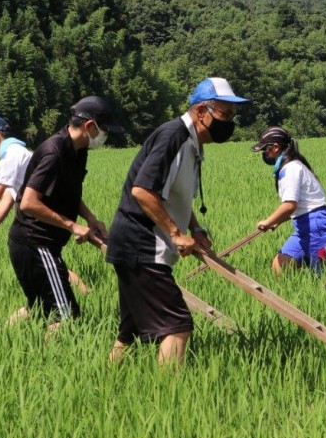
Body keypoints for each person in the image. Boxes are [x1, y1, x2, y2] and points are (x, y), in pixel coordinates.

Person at [106, 77, 249, 366]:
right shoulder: (174, 137)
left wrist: (195, 229)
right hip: (142, 245)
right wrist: (175, 233)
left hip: (139, 245)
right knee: (177, 325)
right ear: (200, 112)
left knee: (131, 331)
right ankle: (168, 397)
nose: (229, 123)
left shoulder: (192, 143)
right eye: (224, 115)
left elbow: (174, 195)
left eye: (233, 116)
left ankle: (105, 382)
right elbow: (143, 191)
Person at [6, 95, 123, 333]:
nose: (105, 136)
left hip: (35, 243)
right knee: (66, 316)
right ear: (90, 126)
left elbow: (67, 192)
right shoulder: (54, 152)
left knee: (38, 307)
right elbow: (28, 203)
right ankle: (46, 365)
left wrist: (90, 218)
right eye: (105, 130)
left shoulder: (78, 150)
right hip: (35, 242)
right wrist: (71, 225)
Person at [0, 115, 91, 299]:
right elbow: (8, 198)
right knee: (49, 272)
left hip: (39, 220)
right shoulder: (18, 153)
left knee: (50, 269)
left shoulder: (12, 155)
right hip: (40, 217)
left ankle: (85, 296)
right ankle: (86, 295)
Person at [251, 126, 326, 276]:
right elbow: (298, 206)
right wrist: (277, 221)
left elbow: (290, 205)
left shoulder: (291, 168)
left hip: (319, 226)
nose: (264, 154)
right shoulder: (289, 167)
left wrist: (268, 221)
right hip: (303, 226)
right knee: (280, 265)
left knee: (324, 275)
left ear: (275, 147)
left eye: (265, 149)